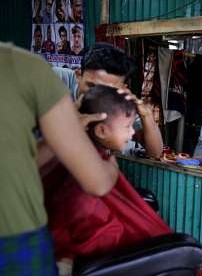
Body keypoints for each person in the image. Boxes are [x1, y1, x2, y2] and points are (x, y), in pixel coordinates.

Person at [0, 42, 119, 275]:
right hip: (15, 236)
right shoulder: (26, 68)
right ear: (78, 76)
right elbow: (98, 183)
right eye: (92, 86)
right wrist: (111, 168)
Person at [43, 86, 172, 275]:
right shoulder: (90, 159)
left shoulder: (90, 151)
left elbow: (155, 151)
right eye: (127, 127)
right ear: (102, 130)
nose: (131, 134)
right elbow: (87, 219)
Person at [39, 42, 163, 165]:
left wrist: (147, 116)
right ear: (78, 75)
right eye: (92, 86)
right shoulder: (54, 79)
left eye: (106, 91)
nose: (98, 95)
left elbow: (155, 153)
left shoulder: (119, 102)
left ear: (121, 88)